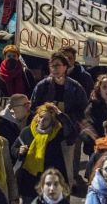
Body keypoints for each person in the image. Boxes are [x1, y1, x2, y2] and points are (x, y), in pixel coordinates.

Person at [30, 52, 88, 188]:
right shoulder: (42, 86)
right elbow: (34, 107)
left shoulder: (75, 87)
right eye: (52, 65)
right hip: (45, 133)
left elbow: (83, 110)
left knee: (67, 165)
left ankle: (66, 190)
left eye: (58, 65)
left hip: (66, 133)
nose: (55, 68)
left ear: (65, 67)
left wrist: (65, 117)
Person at [12, 102, 75, 203]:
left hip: (50, 182)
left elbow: (70, 132)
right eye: (40, 117)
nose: (42, 121)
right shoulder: (28, 131)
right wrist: (19, 151)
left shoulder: (56, 133)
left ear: (52, 122)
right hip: (29, 182)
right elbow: (14, 148)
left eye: (46, 119)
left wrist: (58, 113)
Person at [83, 75, 107, 156]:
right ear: (99, 90)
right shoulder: (92, 108)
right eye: (104, 87)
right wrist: (101, 143)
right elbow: (87, 131)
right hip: (98, 151)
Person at [0, 94, 33, 163]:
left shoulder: (34, 119)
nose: (29, 107)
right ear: (15, 108)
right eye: (25, 105)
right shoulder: (0, 124)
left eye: (29, 103)